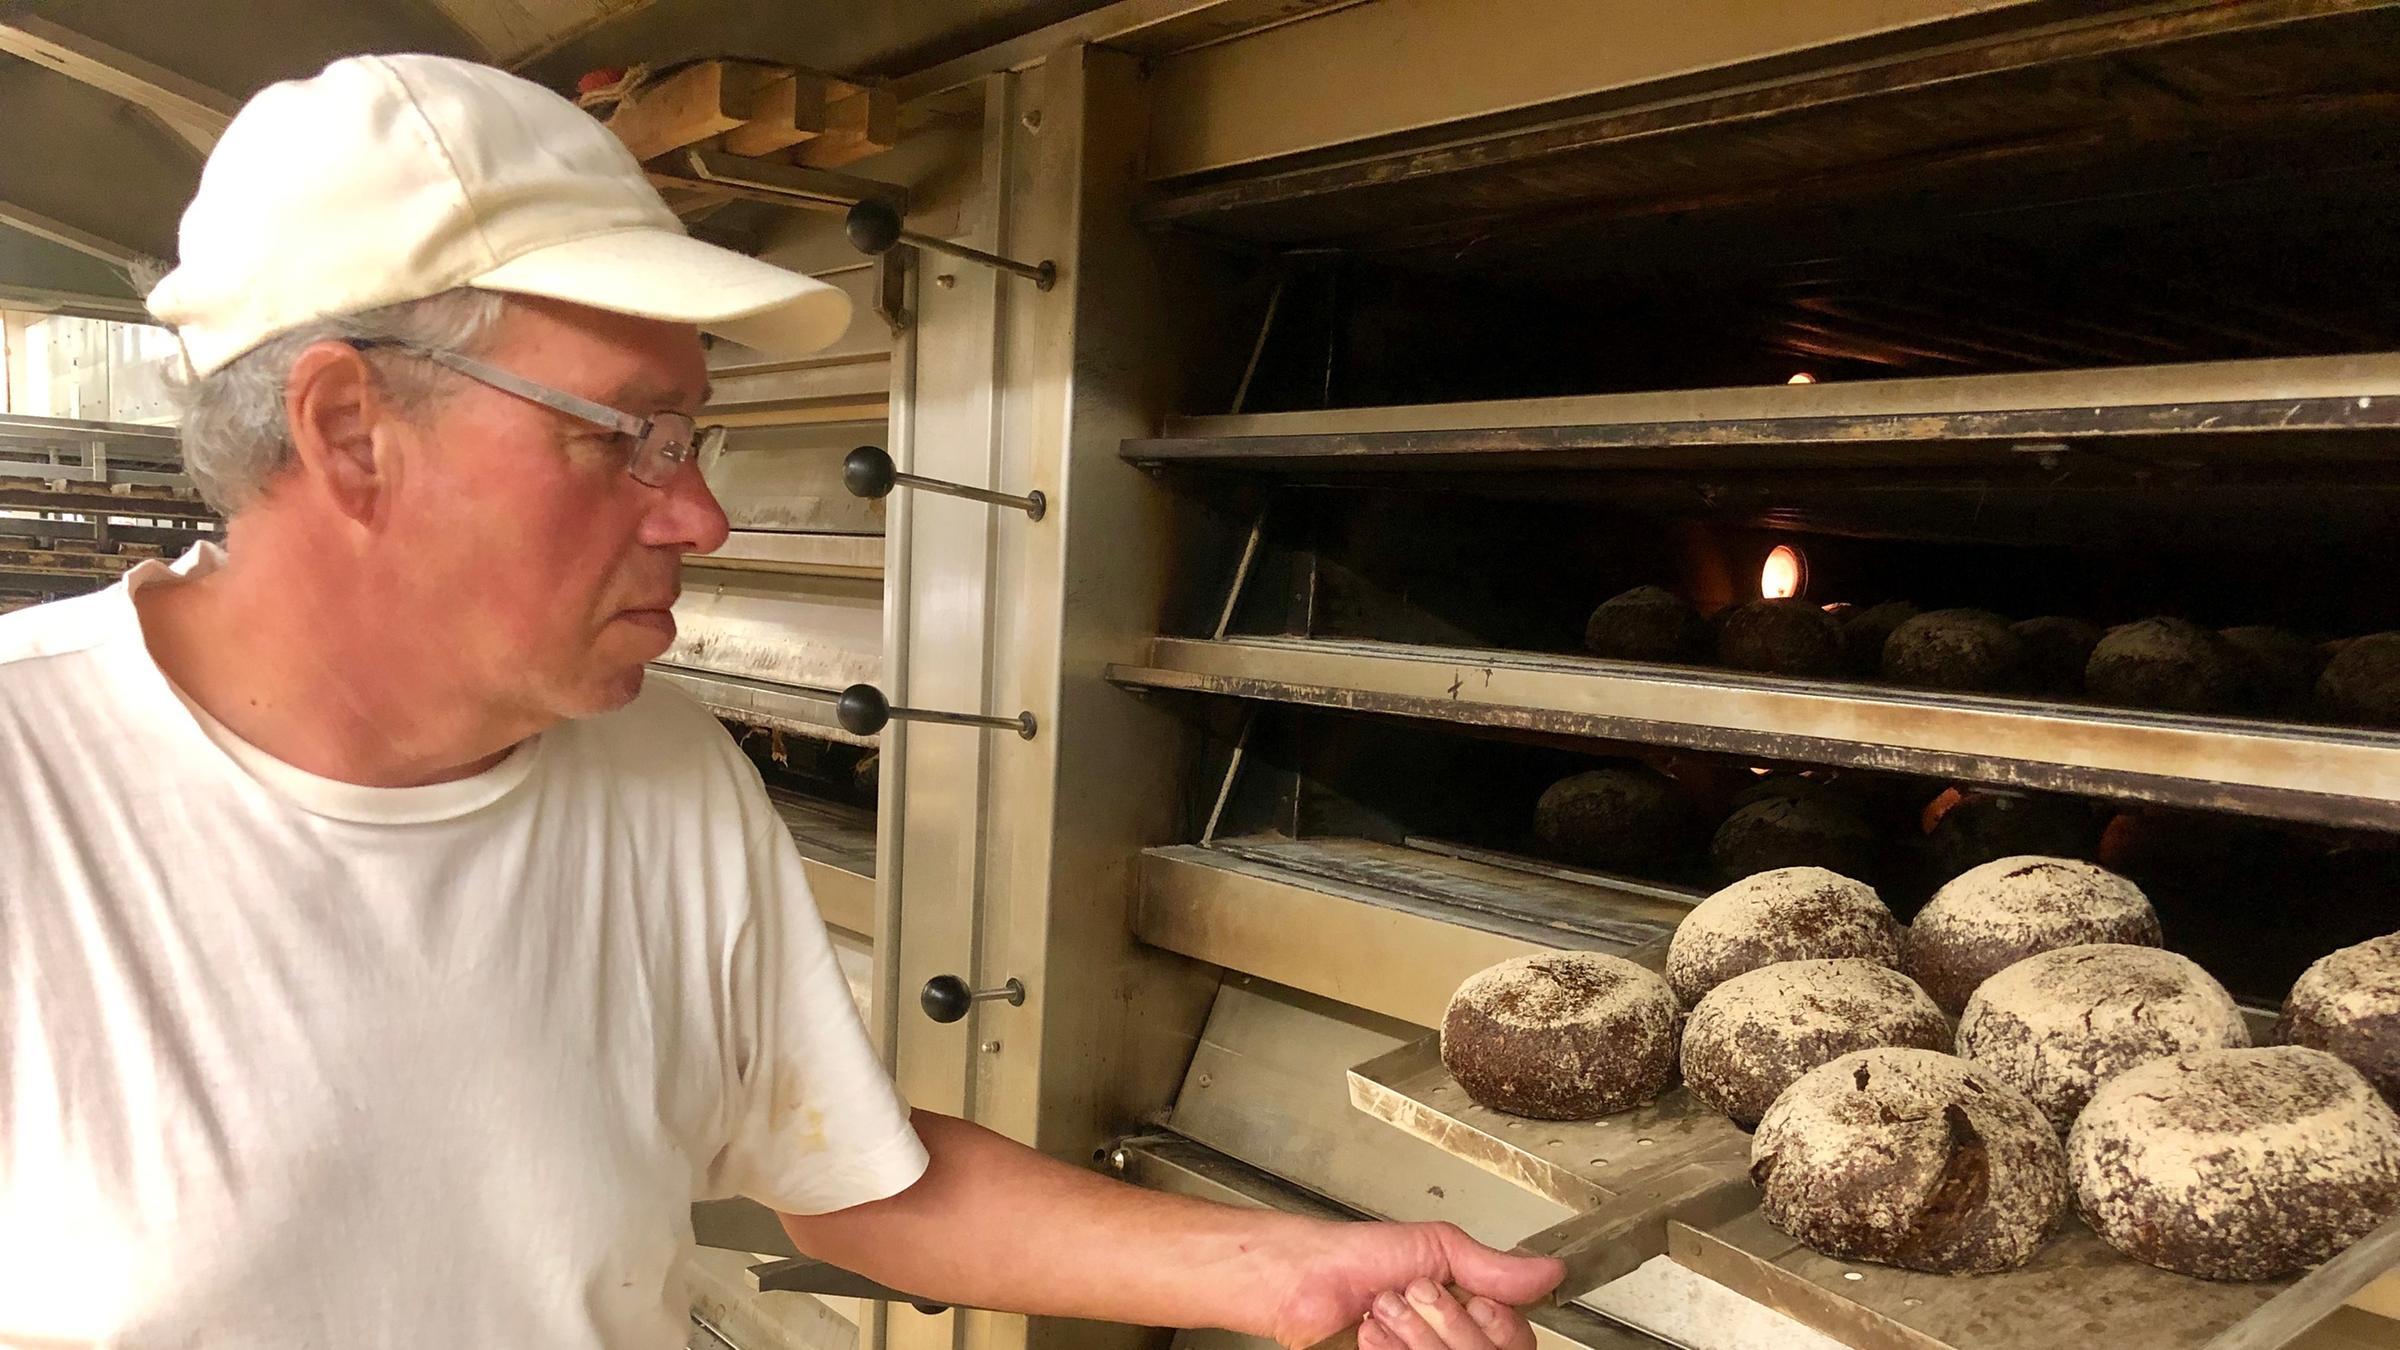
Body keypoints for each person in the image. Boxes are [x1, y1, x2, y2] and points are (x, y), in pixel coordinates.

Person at [0, 53, 1564, 1349]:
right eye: (627, 436)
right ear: (351, 431)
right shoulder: (32, 794)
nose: (701, 518)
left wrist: (1290, 1271)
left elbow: (857, 1178)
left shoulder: (659, 773)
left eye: (692, 440)